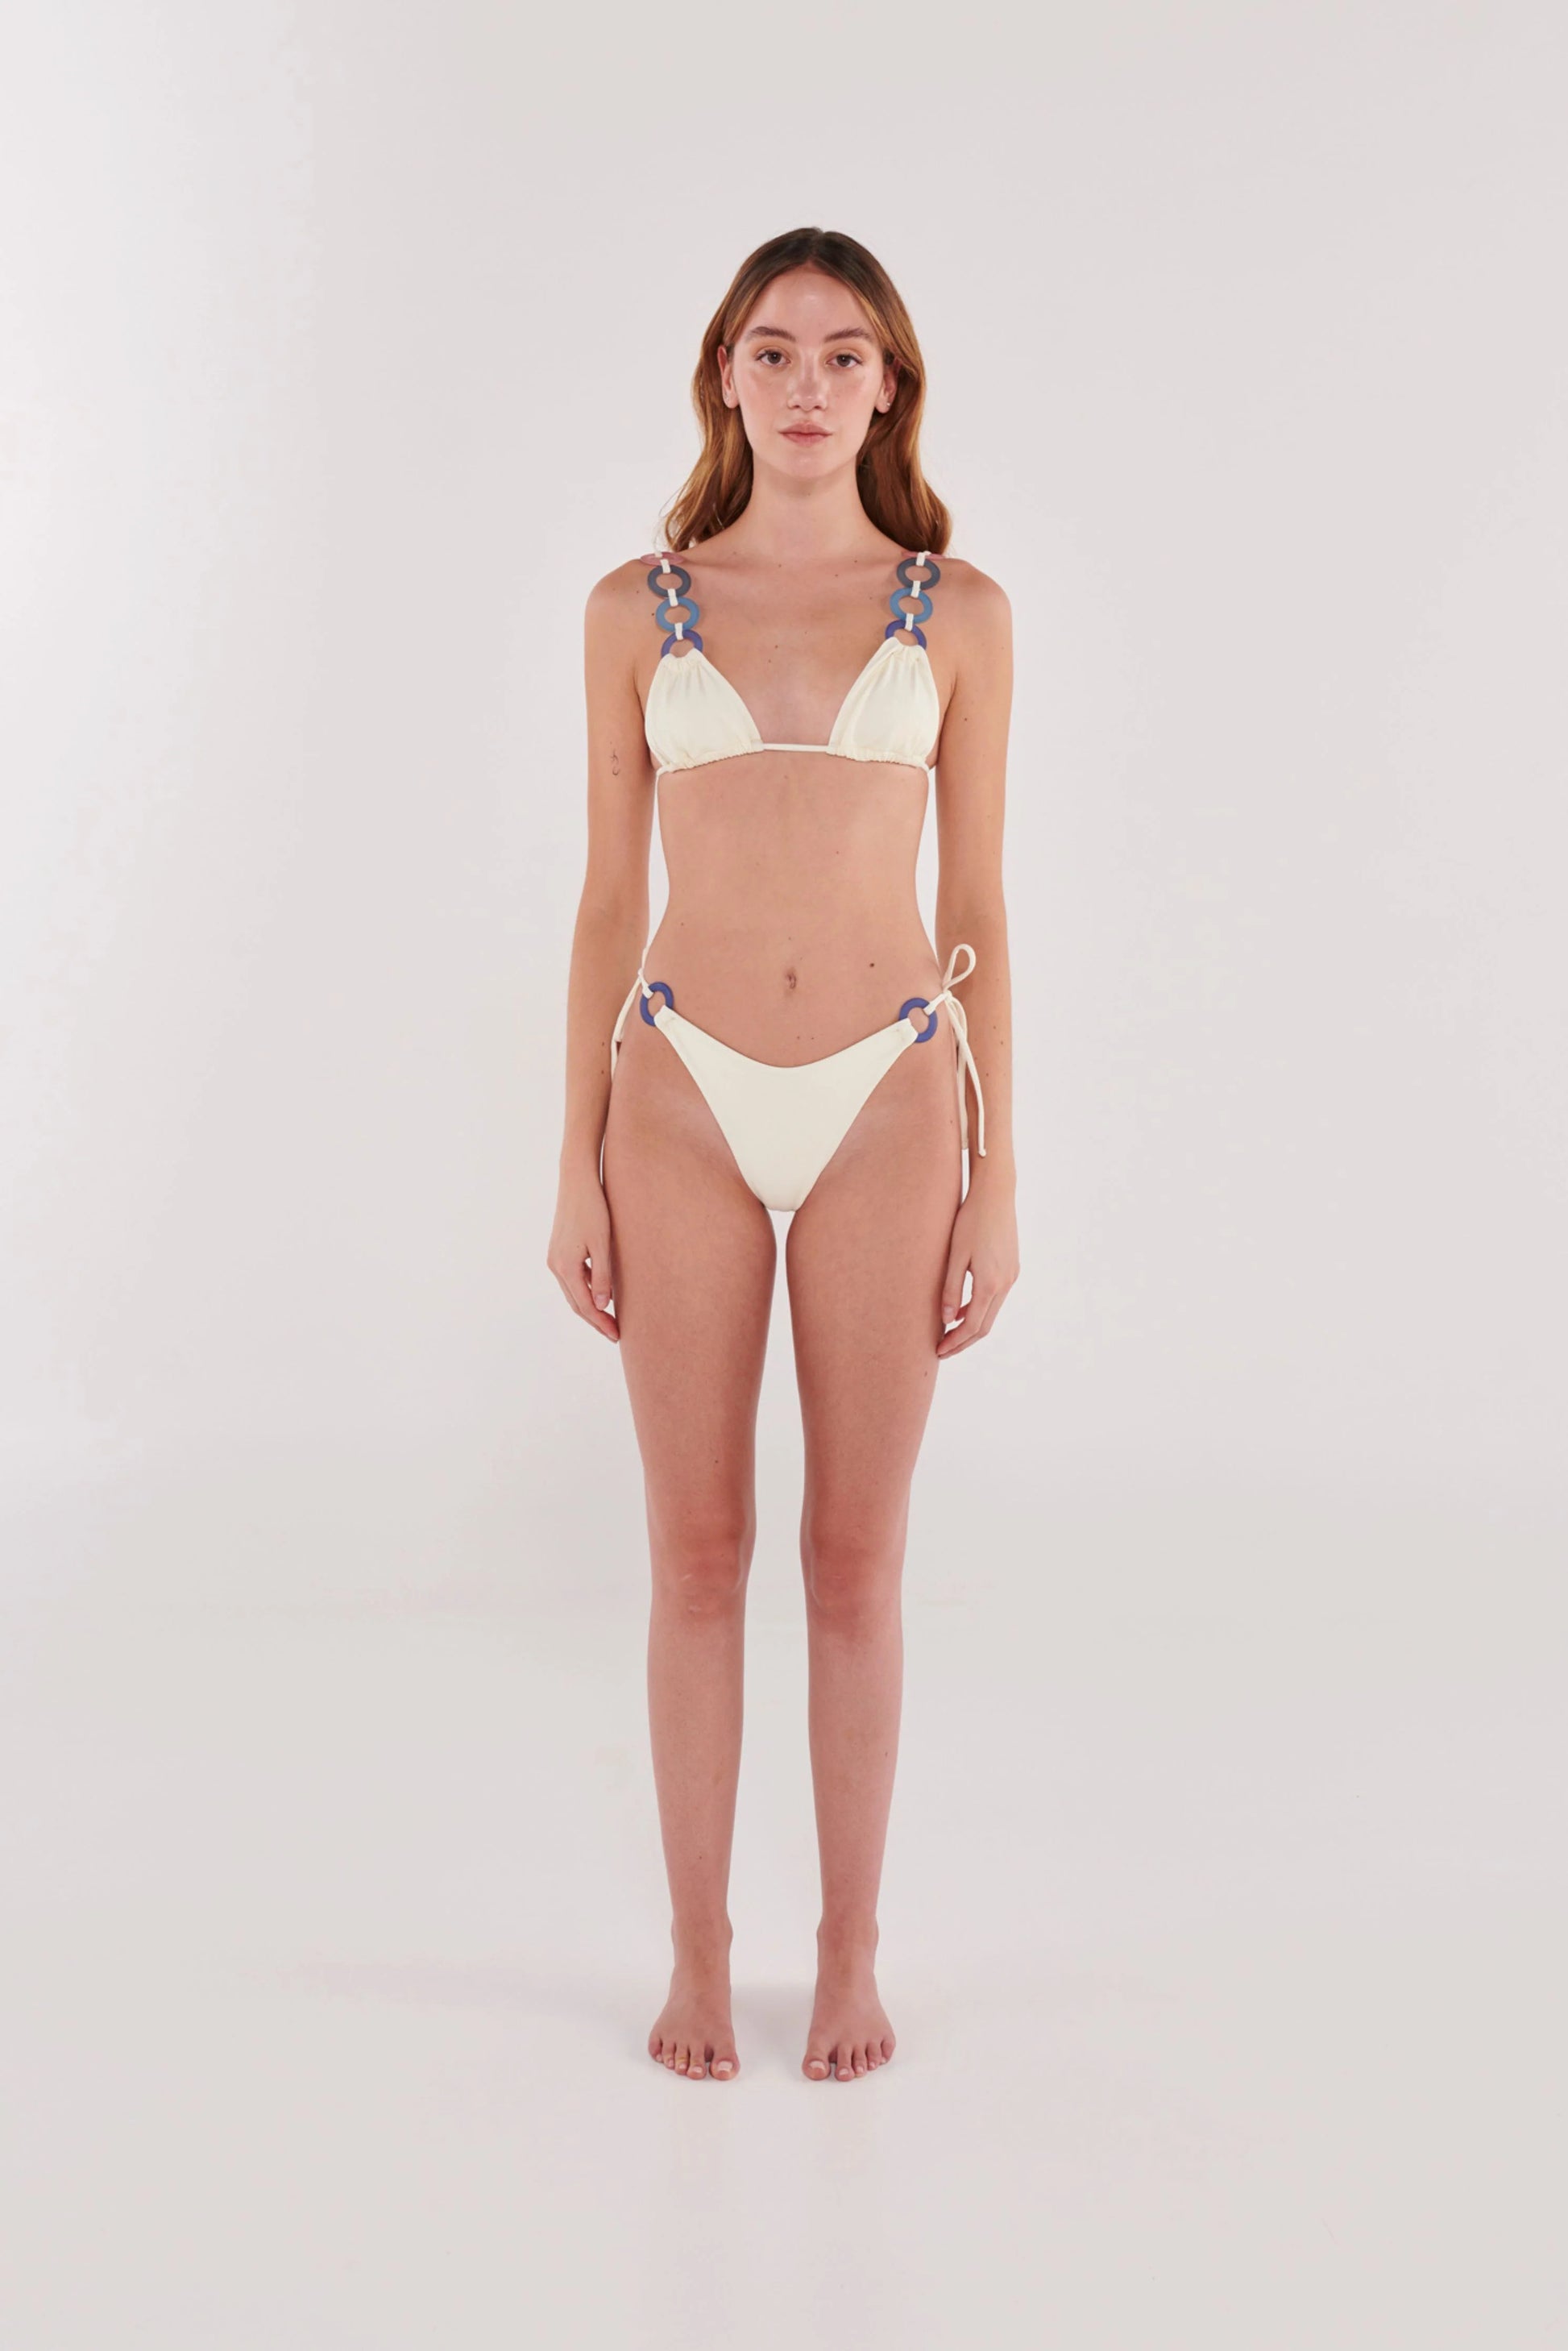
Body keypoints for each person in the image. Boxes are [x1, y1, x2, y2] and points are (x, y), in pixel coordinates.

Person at [548, 226, 1018, 2084]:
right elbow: (606, 900)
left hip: (890, 1094)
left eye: (841, 353)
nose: (806, 382)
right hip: (678, 1091)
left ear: (887, 387)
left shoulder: (956, 611)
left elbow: (979, 907)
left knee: (851, 1557)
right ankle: (694, 1949)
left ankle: (847, 1952)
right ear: (724, 379)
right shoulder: (636, 606)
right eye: (772, 350)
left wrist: (999, 1175)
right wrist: (571, 1164)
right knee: (694, 1549)